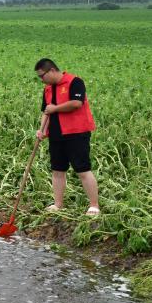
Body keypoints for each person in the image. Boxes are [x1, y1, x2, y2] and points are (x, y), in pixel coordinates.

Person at [35, 58, 100, 216]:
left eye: (42, 76)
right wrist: (42, 130)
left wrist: (55, 108)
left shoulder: (75, 82)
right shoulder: (48, 89)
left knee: (83, 169)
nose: (41, 80)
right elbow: (46, 111)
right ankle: (58, 204)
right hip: (56, 134)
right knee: (57, 170)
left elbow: (76, 103)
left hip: (76, 133)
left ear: (51, 70)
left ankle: (94, 206)